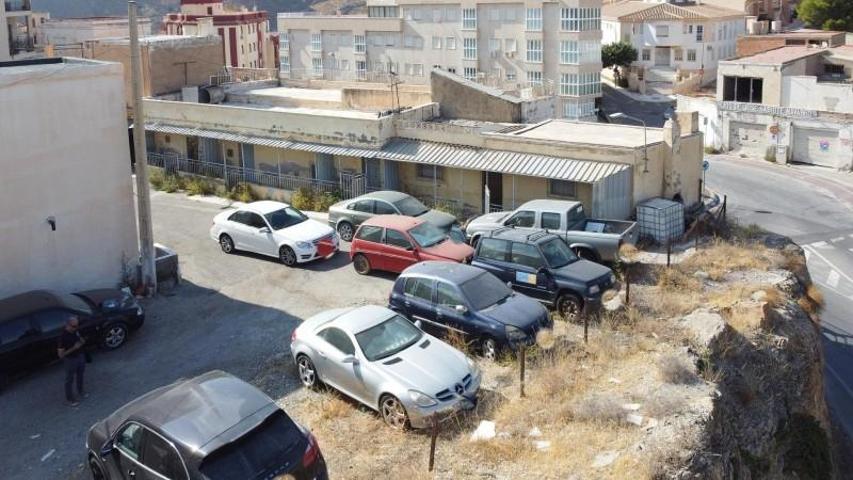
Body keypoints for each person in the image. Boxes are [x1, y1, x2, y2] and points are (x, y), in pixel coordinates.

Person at [57, 316, 87, 406]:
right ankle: (70, 399)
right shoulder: (62, 337)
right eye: (74, 326)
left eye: (77, 325)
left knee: (80, 374)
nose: (76, 328)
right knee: (69, 379)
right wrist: (74, 348)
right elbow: (60, 355)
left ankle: (80, 391)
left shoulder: (76, 332)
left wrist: (82, 341)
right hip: (70, 360)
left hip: (80, 356)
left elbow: (81, 340)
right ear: (67, 325)